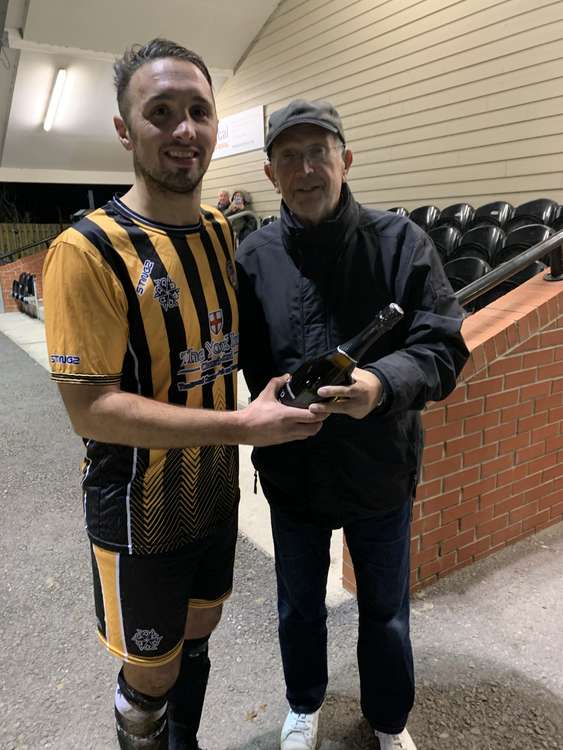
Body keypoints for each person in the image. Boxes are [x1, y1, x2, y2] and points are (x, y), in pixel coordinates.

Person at [42, 45, 325, 750]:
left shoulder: (215, 233)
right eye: (159, 113)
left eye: (197, 111)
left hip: (212, 493)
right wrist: (241, 425)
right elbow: (91, 410)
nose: (183, 129)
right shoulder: (86, 251)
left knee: (197, 637)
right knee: (150, 677)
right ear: (125, 130)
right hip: (138, 510)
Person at [236, 99, 470, 750]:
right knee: (298, 607)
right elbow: (239, 362)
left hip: (379, 467)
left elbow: (444, 347)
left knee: (385, 613)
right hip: (293, 471)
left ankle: (388, 720)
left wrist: (380, 384)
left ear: (346, 159)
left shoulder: (402, 244)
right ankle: (304, 704)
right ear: (269, 172)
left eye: (318, 152)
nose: (305, 168)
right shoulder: (251, 257)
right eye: (288, 157)